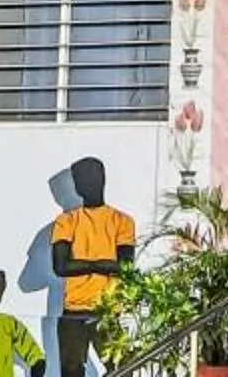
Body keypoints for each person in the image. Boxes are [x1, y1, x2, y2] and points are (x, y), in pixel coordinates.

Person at [49, 157, 135, 377]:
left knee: (122, 370)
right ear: (76, 186)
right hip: (73, 312)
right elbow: (60, 266)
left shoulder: (122, 221)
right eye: (80, 179)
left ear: (103, 179)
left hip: (109, 311)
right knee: (71, 372)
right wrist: (101, 264)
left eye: (91, 177)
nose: (86, 183)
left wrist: (82, 264)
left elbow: (125, 267)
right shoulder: (66, 221)